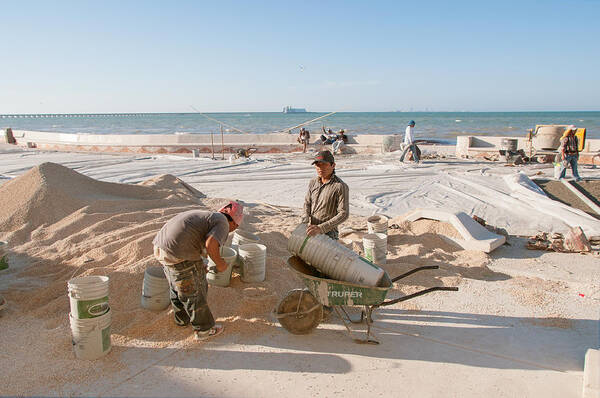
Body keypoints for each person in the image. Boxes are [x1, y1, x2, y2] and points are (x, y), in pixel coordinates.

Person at [152, 201, 244, 340]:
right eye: (235, 228)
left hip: (161, 247)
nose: (232, 230)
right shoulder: (223, 223)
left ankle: (182, 320)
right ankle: (204, 330)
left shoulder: (208, 216)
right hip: (179, 252)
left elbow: (194, 239)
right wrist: (220, 264)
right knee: (195, 290)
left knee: (177, 286)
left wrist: (199, 264)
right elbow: (211, 244)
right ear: (235, 223)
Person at [302, 150, 349, 240]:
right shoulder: (313, 182)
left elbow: (343, 214)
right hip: (312, 229)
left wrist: (321, 228)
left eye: (324, 164)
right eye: (318, 165)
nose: (320, 168)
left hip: (329, 233)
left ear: (333, 165)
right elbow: (307, 203)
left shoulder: (340, 186)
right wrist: (305, 219)